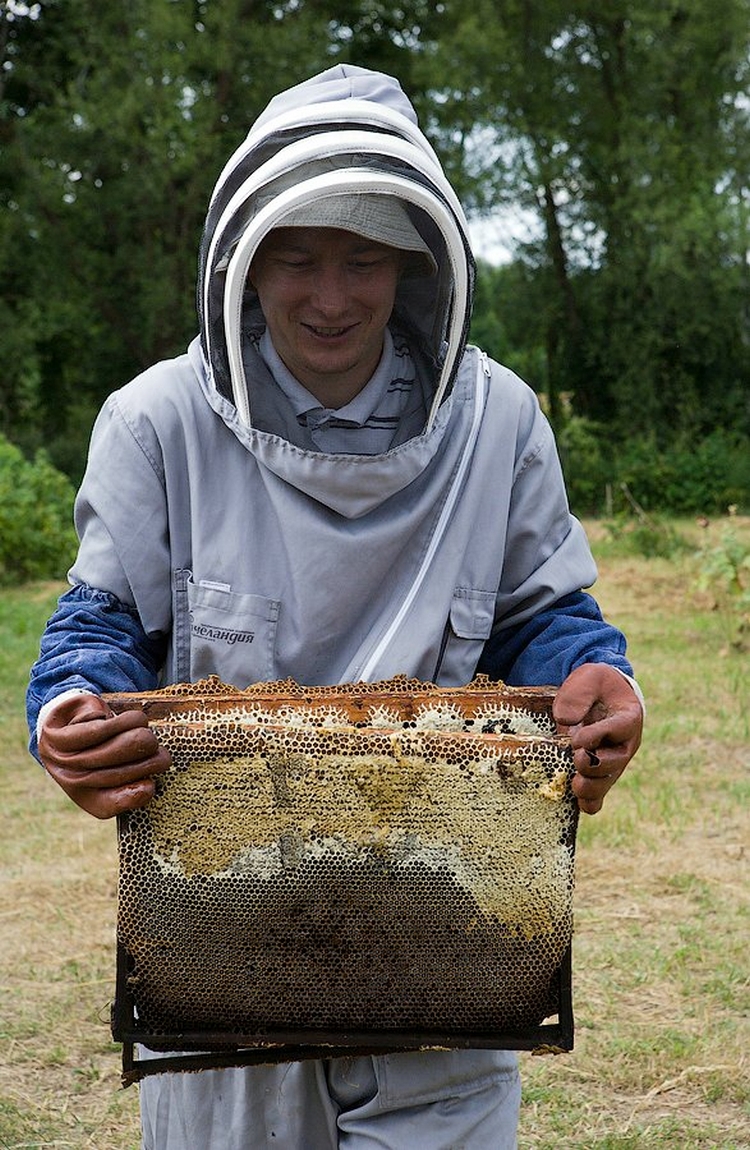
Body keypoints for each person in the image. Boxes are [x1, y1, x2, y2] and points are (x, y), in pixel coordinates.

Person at [27, 64, 643, 1150]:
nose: (329, 297)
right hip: (226, 955)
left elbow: (545, 615)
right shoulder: (156, 422)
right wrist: (73, 710)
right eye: (297, 257)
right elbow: (99, 627)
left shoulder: (498, 418)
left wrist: (600, 681)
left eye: (364, 260)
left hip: (444, 944)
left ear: (416, 268)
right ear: (243, 261)